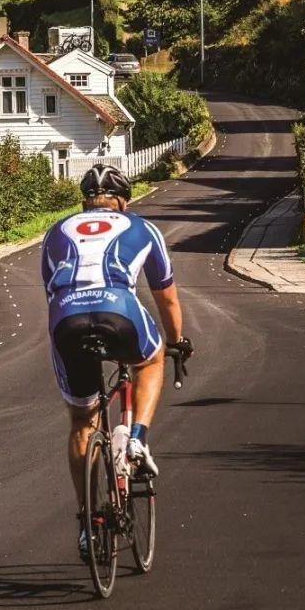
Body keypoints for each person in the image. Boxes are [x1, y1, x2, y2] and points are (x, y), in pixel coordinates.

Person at [41, 163, 191, 558]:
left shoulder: (56, 231)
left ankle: (88, 524)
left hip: (66, 318)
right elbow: (167, 298)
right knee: (150, 359)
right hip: (118, 310)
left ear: (84, 202)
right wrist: (177, 342)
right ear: (124, 201)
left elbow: (51, 294)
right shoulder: (141, 227)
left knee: (82, 422)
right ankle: (137, 439)